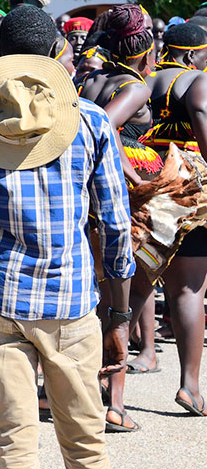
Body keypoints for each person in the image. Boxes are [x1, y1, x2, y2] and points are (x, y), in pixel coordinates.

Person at [0, 5, 134, 469]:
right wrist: (120, 316)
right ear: (55, 51)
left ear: (1, 56)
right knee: (86, 446)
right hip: (70, 302)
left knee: (15, 448)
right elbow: (115, 228)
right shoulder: (91, 121)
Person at [76, 5, 160, 432]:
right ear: (145, 46)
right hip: (116, 198)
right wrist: (134, 176)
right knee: (124, 297)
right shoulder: (136, 87)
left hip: (81, 196)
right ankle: (116, 405)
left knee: (94, 296)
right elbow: (101, 127)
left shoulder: (88, 79)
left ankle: (65, 393)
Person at [141, 22, 207, 417]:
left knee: (137, 284)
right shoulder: (194, 80)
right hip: (187, 188)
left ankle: (114, 381)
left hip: (146, 183)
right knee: (187, 290)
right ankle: (190, 386)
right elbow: (202, 119)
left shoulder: (143, 81)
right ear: (190, 54)